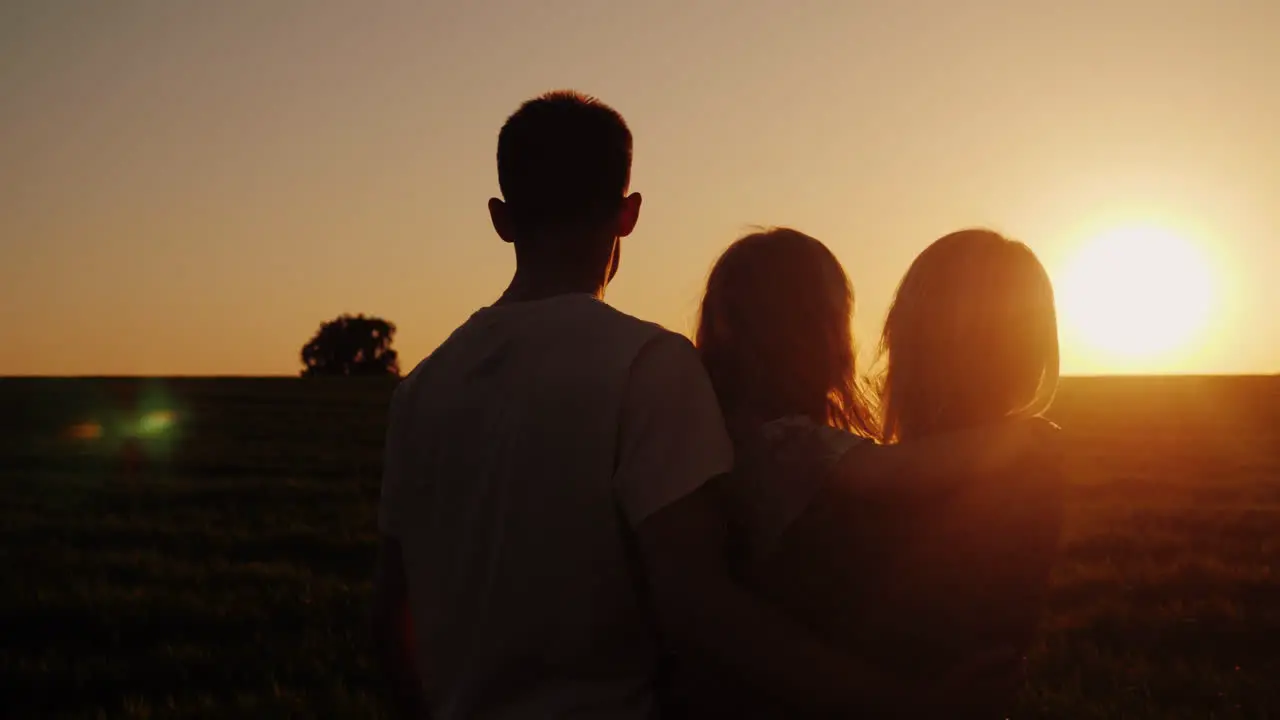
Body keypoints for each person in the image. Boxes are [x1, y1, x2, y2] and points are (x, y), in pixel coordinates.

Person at [368, 92, 997, 720]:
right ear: (629, 213)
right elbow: (699, 610)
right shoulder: (646, 364)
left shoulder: (420, 391)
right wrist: (902, 703)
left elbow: (392, 620)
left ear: (501, 219)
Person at [692, 227, 1066, 718]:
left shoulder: (712, 436)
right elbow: (884, 469)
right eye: (840, 320)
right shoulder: (789, 447)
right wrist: (1024, 439)